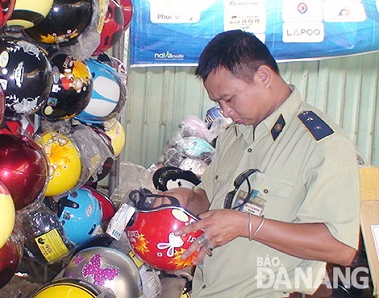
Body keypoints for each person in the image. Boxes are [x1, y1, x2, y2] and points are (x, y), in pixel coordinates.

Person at [154, 29, 361, 297]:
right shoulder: (233, 135)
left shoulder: (322, 144)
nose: (225, 111)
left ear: (263, 76)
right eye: (218, 102)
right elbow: (211, 199)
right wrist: (186, 199)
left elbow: (341, 248)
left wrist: (246, 225)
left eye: (229, 99)